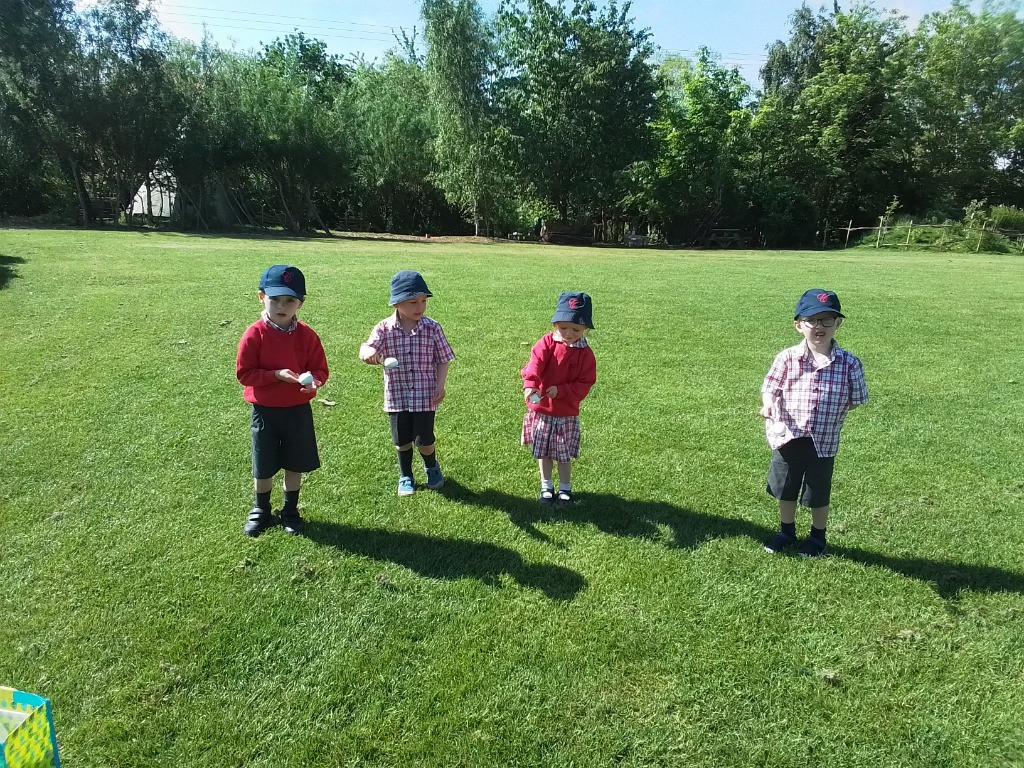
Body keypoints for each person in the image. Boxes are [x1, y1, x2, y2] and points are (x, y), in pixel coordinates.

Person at [760, 289, 868, 558]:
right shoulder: (786, 358)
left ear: (838, 324)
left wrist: (831, 412)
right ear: (799, 325)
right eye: (812, 320)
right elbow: (770, 387)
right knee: (786, 487)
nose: (819, 326)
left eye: (827, 320)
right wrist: (769, 402)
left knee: (817, 492)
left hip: (824, 440)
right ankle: (786, 531)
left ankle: (817, 537)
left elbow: (857, 399)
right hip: (787, 435)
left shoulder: (849, 363)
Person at [236, 265, 328, 536]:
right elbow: (244, 373)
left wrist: (314, 381)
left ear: (302, 302)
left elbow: (321, 369)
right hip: (264, 411)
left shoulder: (307, 335)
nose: (282, 306)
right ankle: (261, 509)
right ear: (261, 297)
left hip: (297, 410)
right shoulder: (255, 334)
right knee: (263, 464)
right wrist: (275, 375)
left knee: (294, 462)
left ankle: (290, 509)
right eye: (275, 299)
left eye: (290, 300)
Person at [359, 270, 455, 496]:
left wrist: (440, 385)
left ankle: (431, 466)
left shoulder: (432, 328)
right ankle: (406, 475)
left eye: (423, 301)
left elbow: (443, 359)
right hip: (397, 395)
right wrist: (369, 353)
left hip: (425, 395)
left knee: (424, 440)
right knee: (401, 441)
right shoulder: (384, 328)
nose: (420, 307)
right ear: (397, 304)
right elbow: (366, 347)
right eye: (413, 302)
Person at [521, 291, 597, 505]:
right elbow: (534, 365)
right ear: (555, 324)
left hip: (565, 413)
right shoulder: (546, 343)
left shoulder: (585, 354)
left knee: (562, 454)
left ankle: (565, 488)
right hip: (543, 410)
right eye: (563, 327)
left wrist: (562, 391)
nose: (569, 333)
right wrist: (530, 385)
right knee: (543, 452)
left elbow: (585, 382)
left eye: (576, 329)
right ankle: (546, 486)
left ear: (585, 329)